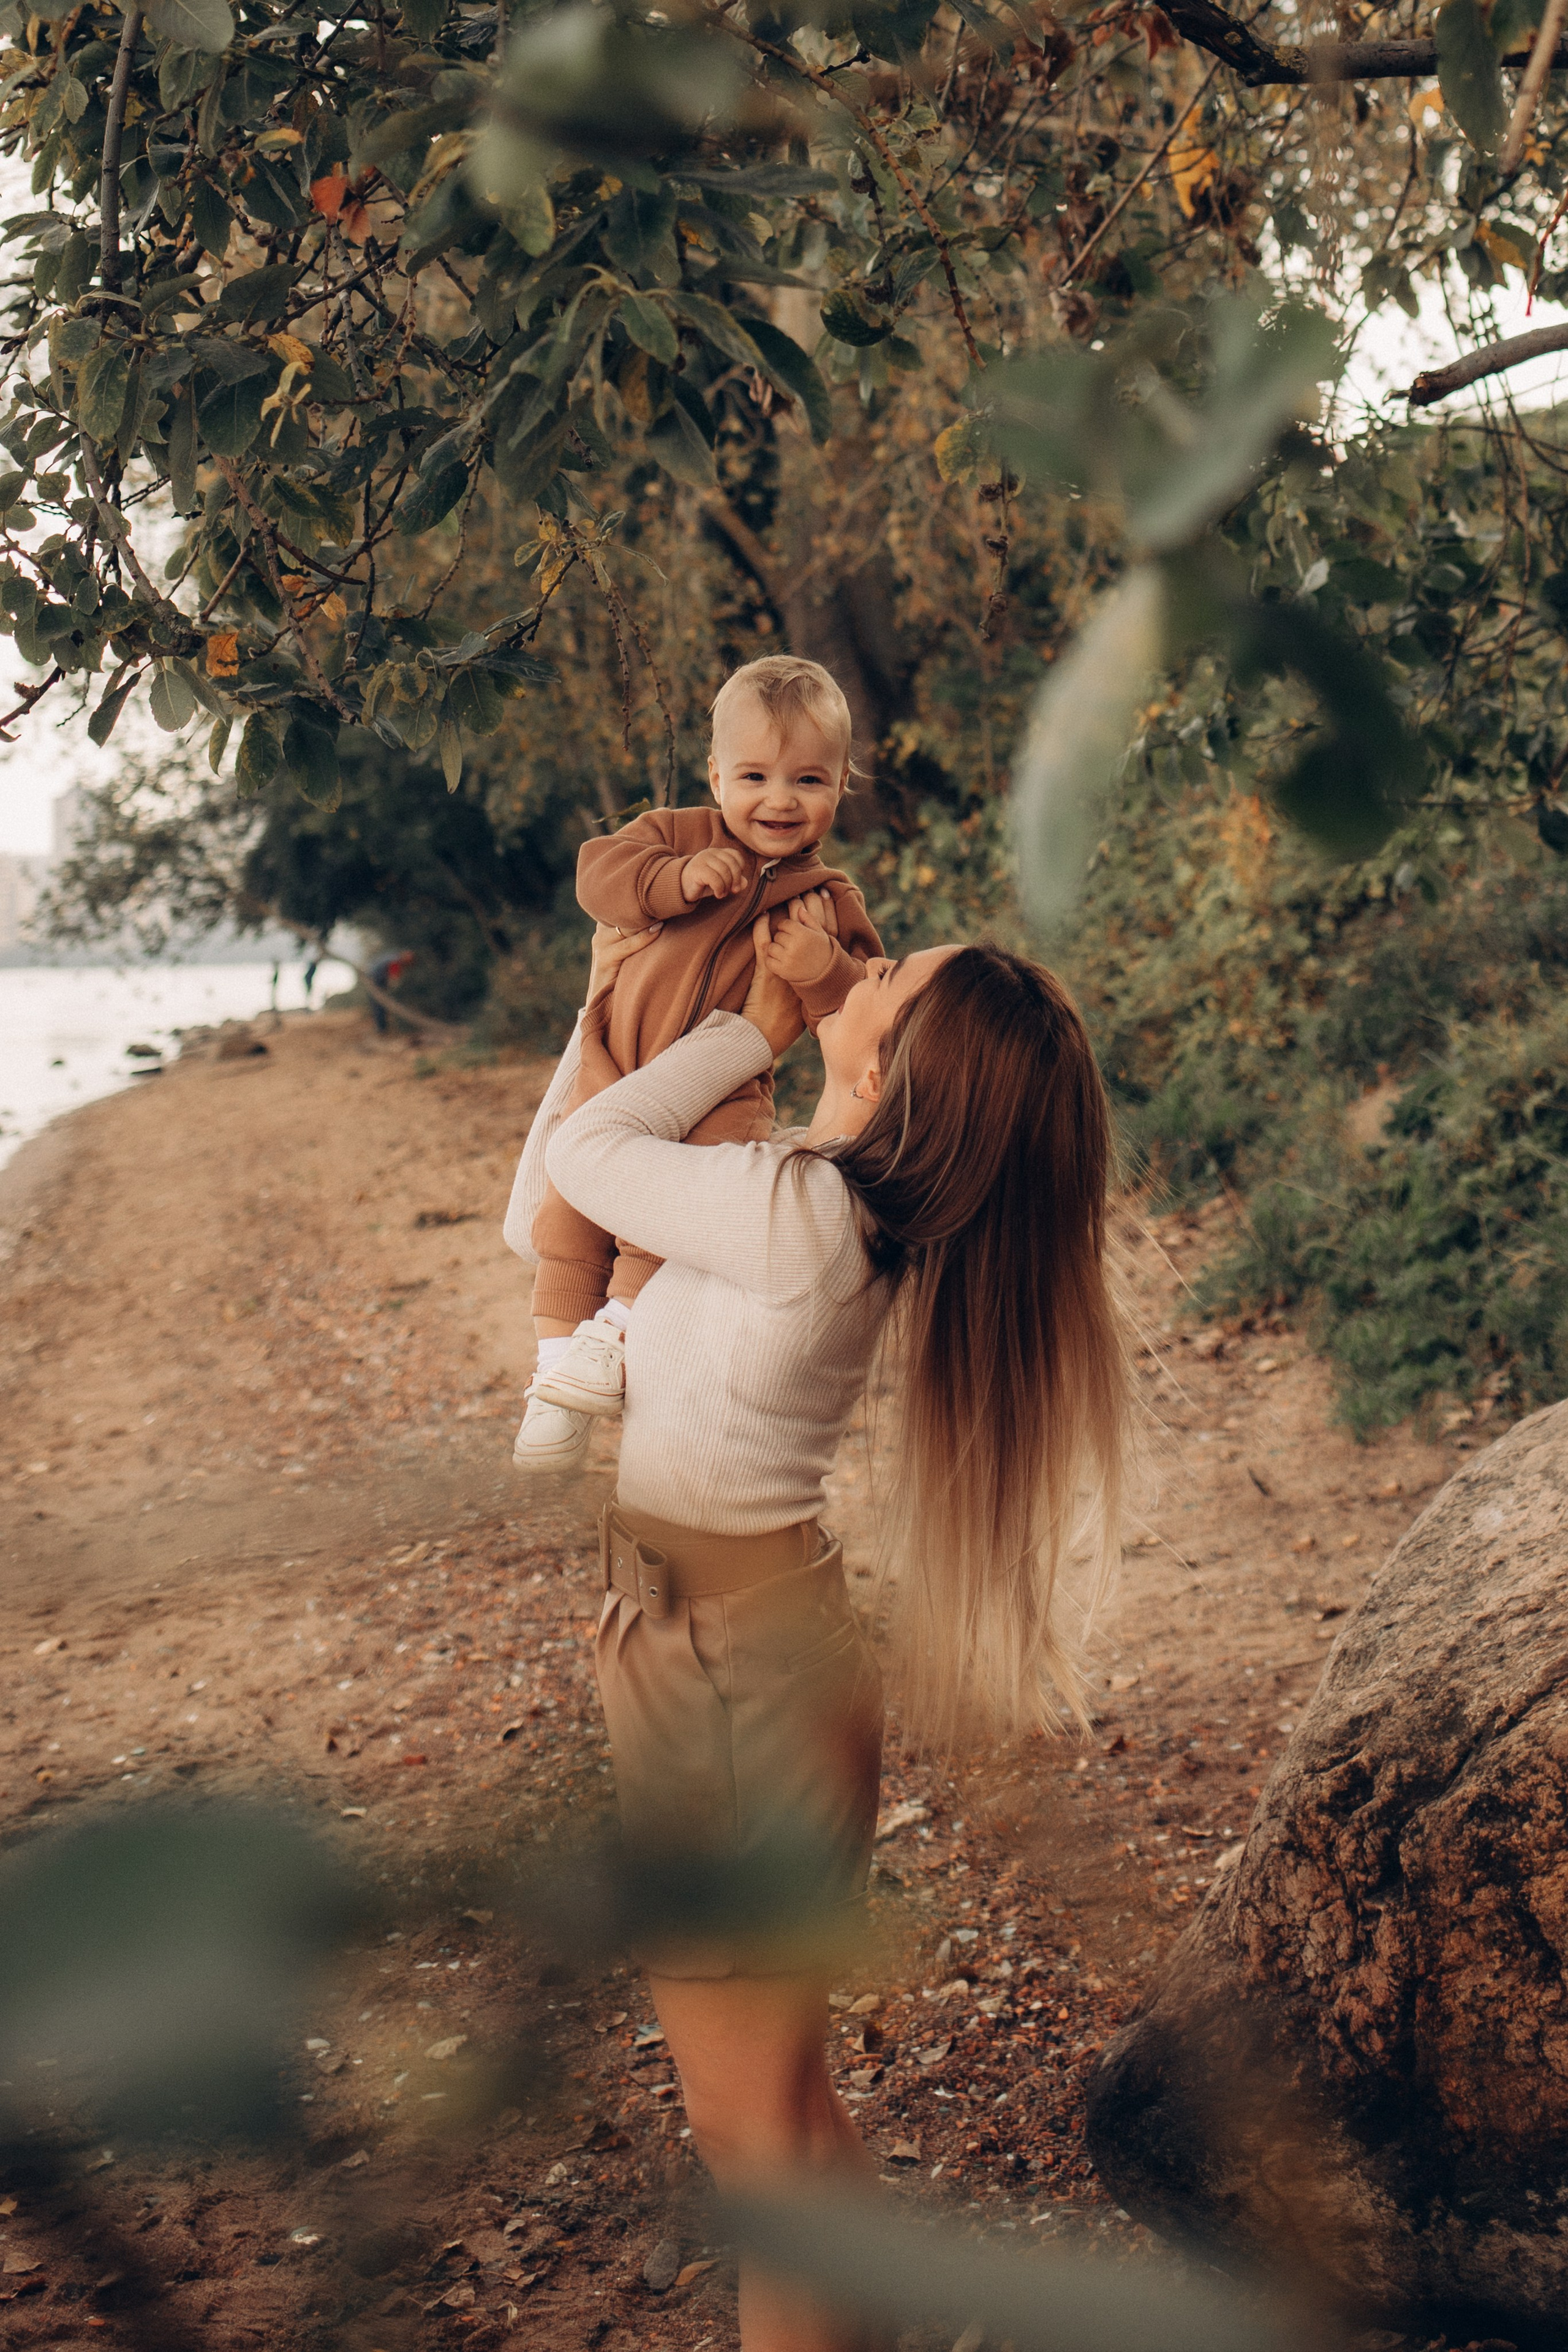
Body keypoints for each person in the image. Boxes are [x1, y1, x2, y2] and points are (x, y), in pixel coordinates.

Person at [502, 918, 1127, 2352]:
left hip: (719, 1671)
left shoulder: (794, 1210)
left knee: (753, 2144)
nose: (864, 967)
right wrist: (822, 1059)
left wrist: (762, 1020)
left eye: (886, 980)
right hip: (744, 1649)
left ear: (904, 1064)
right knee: (777, 2106)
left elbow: (583, 1152)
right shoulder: (836, 1210)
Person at [513, 654, 883, 1476]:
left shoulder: (827, 896)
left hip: (725, 1093)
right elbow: (595, 877)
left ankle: (614, 1331)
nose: (779, 800)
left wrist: (823, 965)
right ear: (715, 775)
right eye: (754, 775)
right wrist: (673, 880)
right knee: (567, 1219)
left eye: (808, 779)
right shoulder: (671, 836)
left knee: (665, 1213)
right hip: (619, 1062)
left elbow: (860, 1015)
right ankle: (552, 1376)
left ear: (842, 783)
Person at [368, 946, 415, 1035]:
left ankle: (382, 1029)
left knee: (378, 1004)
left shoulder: (393, 956)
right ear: (405, 957)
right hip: (376, 982)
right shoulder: (395, 961)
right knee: (380, 1005)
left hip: (375, 980)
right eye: (409, 960)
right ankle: (383, 1030)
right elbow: (394, 980)